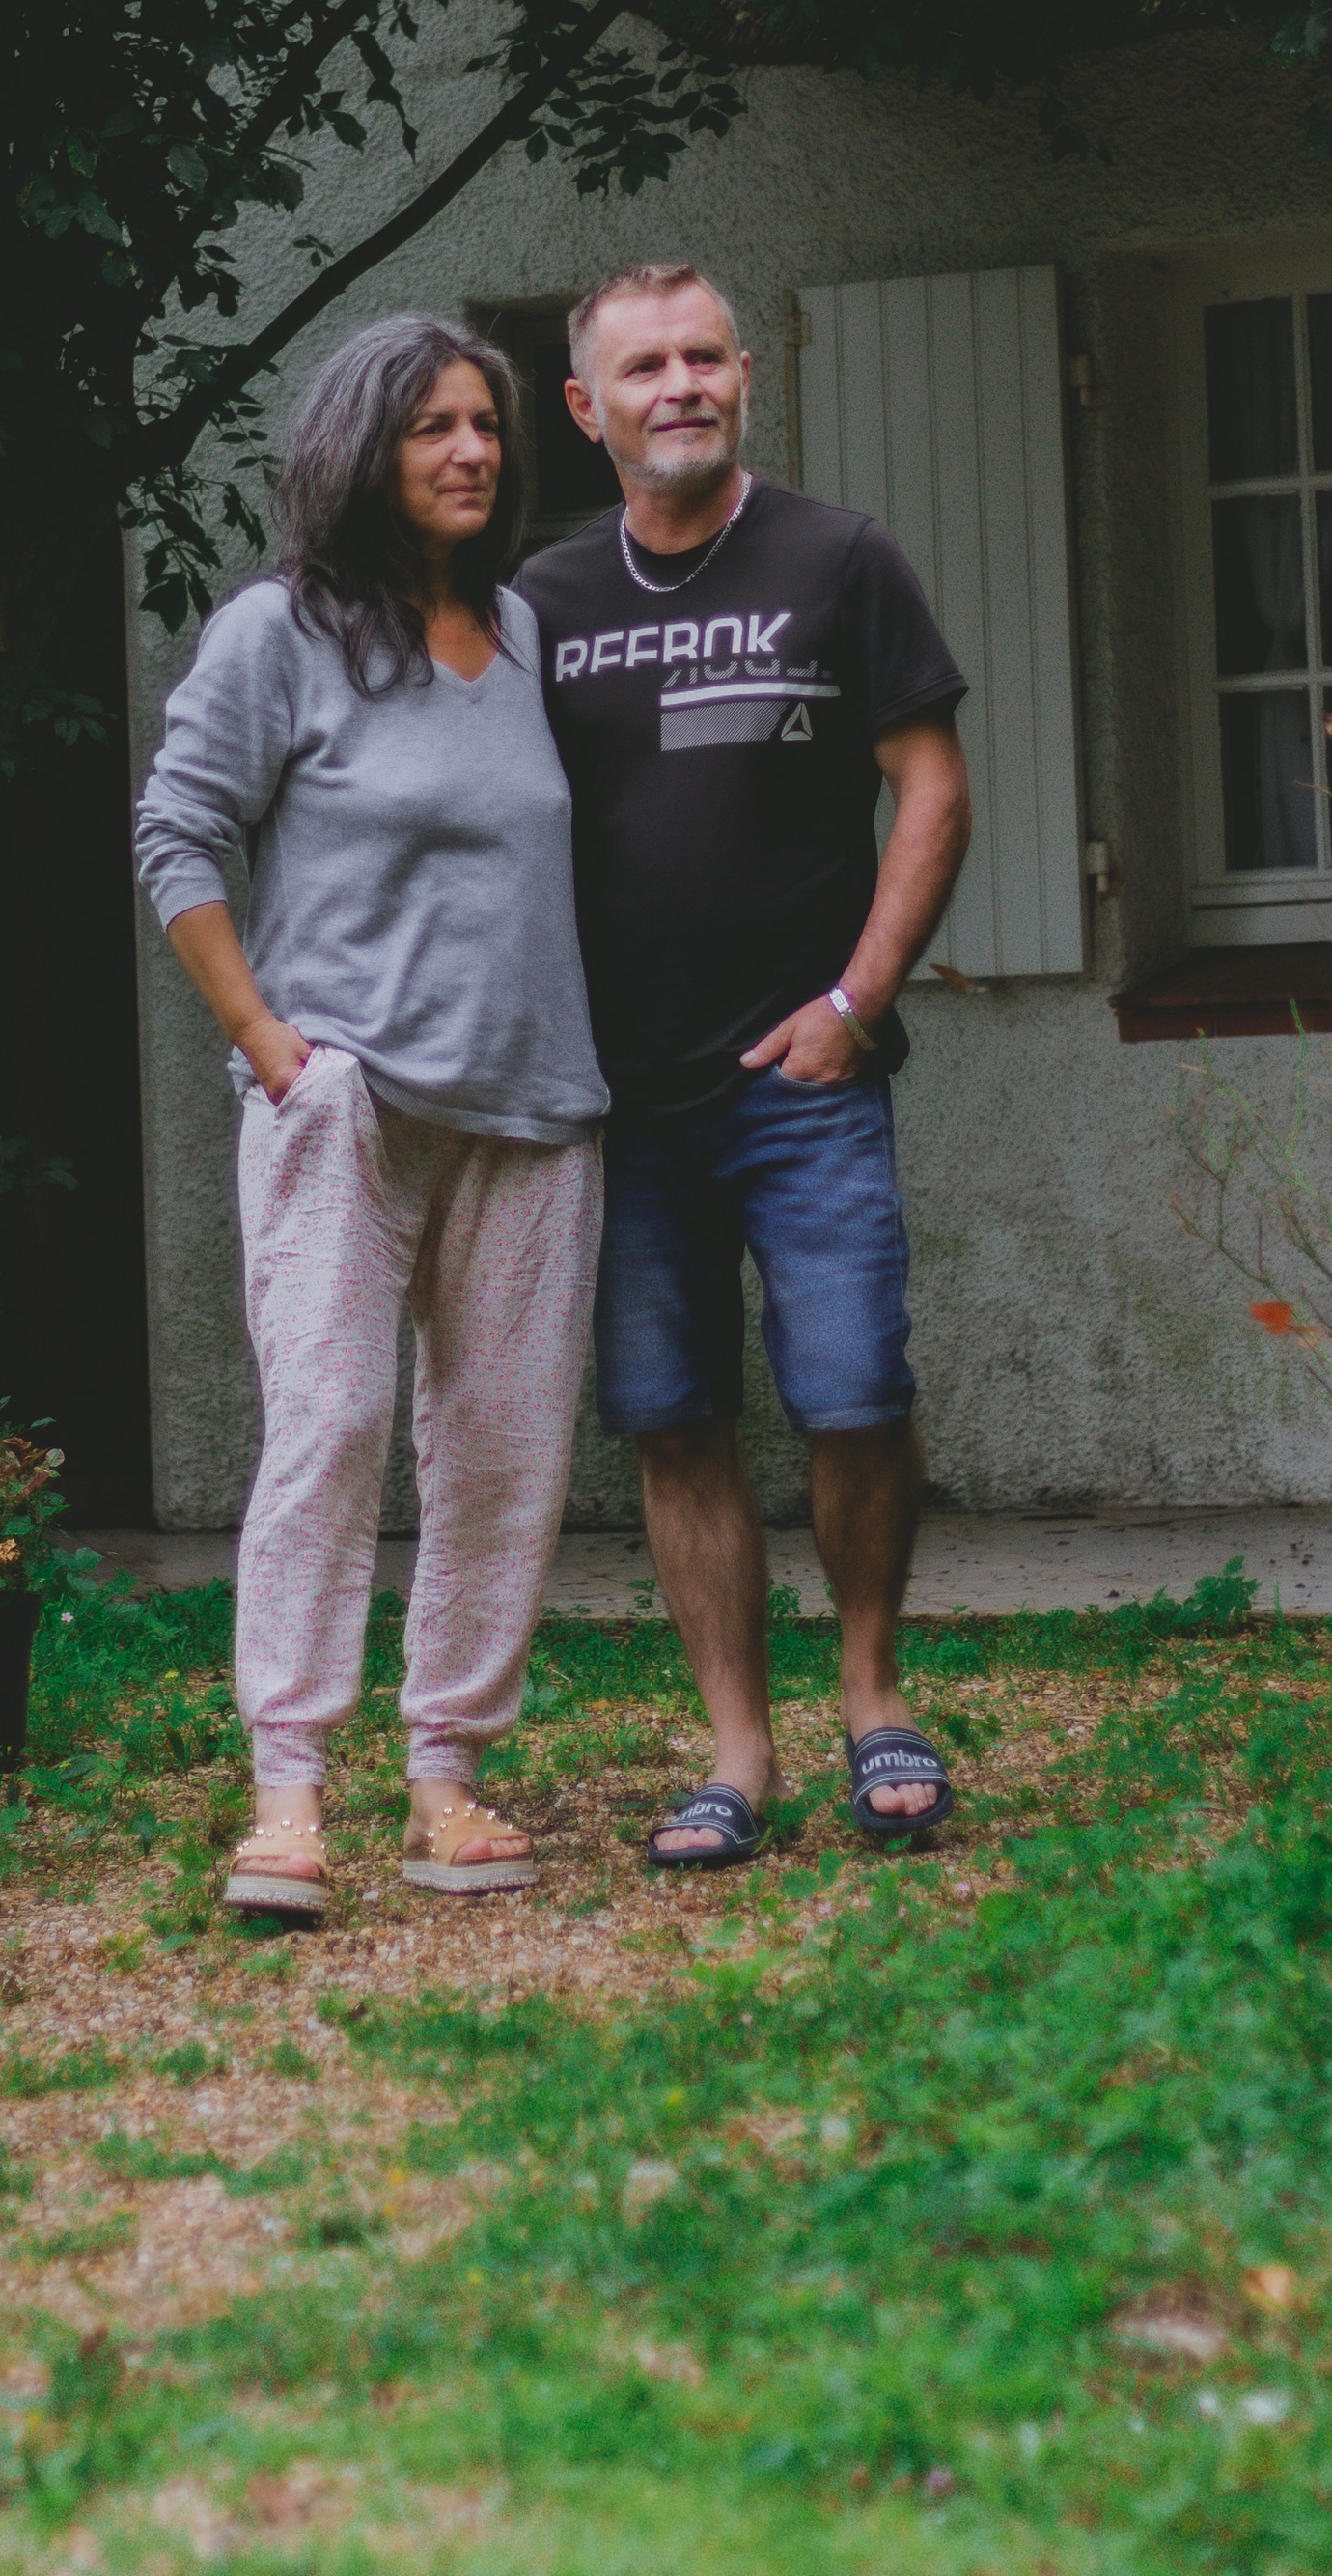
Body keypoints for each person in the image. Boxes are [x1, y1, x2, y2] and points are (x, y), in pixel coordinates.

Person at [134, 314, 608, 1918]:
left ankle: (447, 1780)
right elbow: (177, 833)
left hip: (532, 1106)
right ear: (360, 449)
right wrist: (267, 1043)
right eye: (431, 427)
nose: (471, 450)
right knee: (328, 1431)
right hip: (345, 1101)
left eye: (485, 424)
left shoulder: (521, 630)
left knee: (504, 1454)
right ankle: (287, 1797)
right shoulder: (278, 632)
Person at [516, 261, 973, 1869]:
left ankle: (874, 1696)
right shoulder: (541, 604)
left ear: (745, 377)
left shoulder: (839, 558)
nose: (682, 387)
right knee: (670, 1419)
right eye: (644, 368)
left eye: (705, 356)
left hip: (805, 1086)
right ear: (586, 408)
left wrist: (856, 999)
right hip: (620, 1103)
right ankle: (735, 1752)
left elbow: (931, 789)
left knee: (854, 1394)